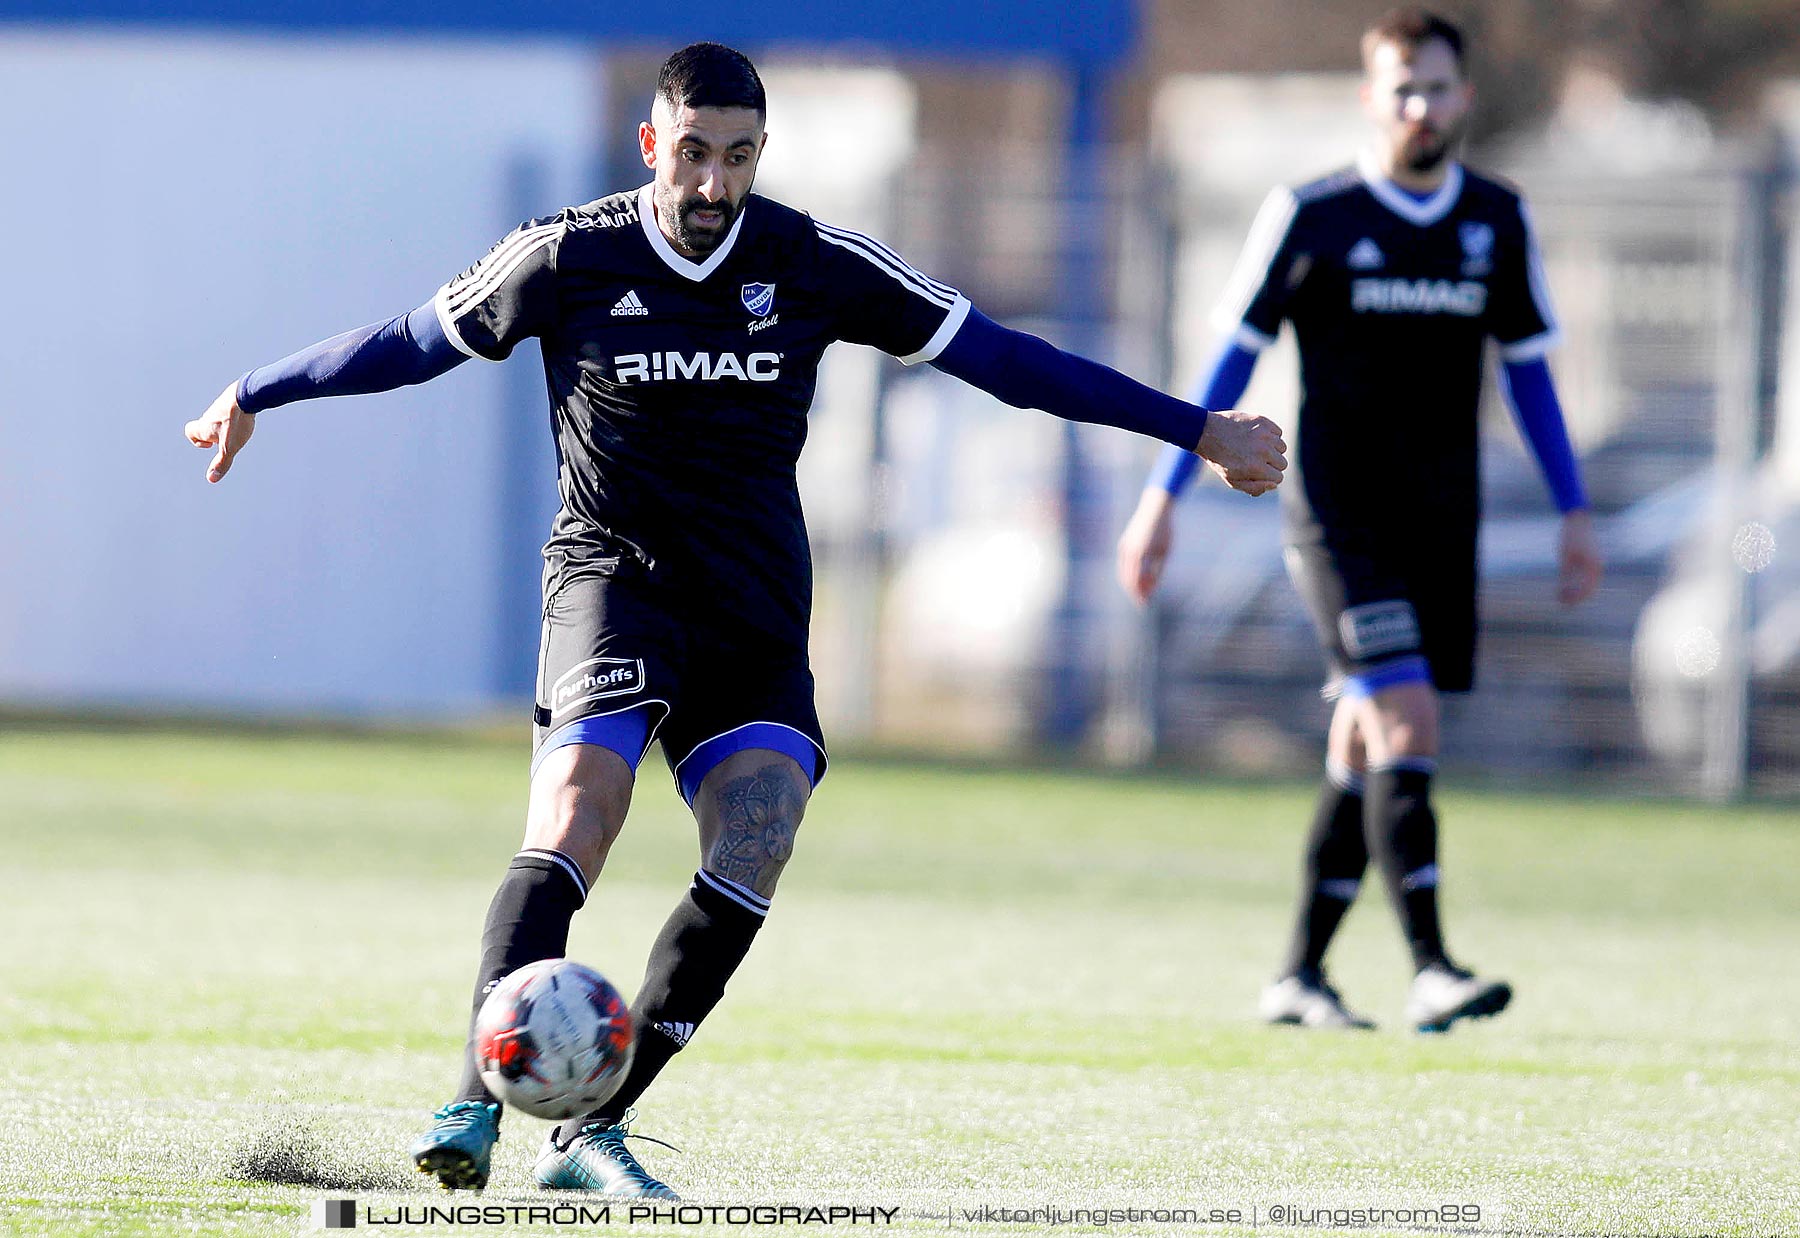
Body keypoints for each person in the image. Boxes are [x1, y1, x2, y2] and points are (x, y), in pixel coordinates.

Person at [187, 43, 1286, 1196]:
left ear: (763, 154)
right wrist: (259, 388)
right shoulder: (568, 257)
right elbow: (413, 342)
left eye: (741, 158)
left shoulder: (811, 262)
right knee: (578, 811)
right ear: (652, 144)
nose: (715, 185)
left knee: (760, 827)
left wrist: (1197, 428)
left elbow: (1005, 361)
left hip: (752, 601)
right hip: (612, 581)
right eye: (696, 155)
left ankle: (590, 1132)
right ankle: (473, 1094)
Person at [1116, 8, 1602, 1034]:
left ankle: (1298, 976)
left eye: (1437, 87)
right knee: (1407, 715)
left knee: (1362, 738)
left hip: (1443, 517)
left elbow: (1531, 377)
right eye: (1402, 88)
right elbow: (1228, 365)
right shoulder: (1312, 214)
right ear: (1370, 98)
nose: (1421, 106)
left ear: (1464, 98)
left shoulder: (1496, 221)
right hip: (1335, 514)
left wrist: (1573, 508)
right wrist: (1162, 497)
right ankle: (1432, 966)